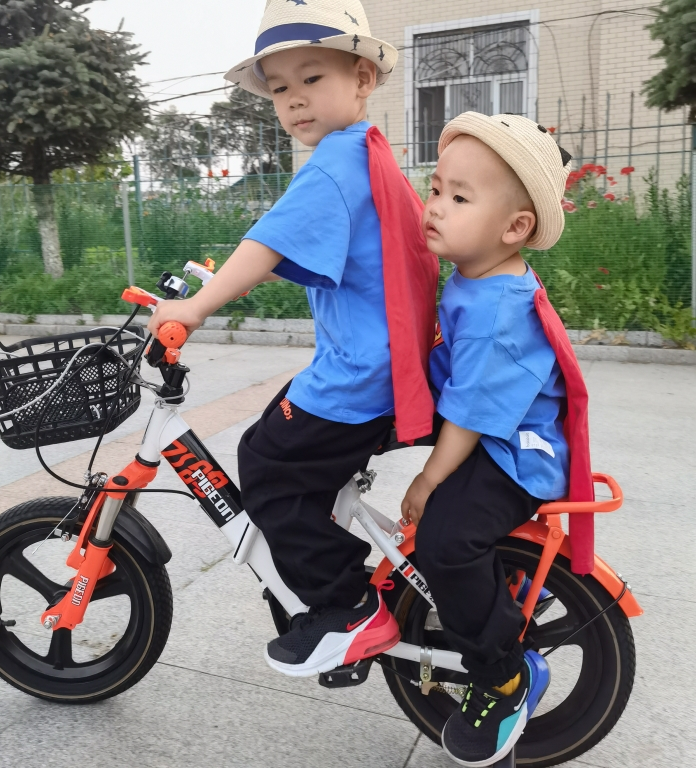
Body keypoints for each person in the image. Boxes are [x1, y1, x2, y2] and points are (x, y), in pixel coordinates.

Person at [148, 0, 439, 677]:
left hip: (361, 375)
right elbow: (313, 253)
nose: (295, 100)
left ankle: (347, 607)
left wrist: (196, 307)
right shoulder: (367, 154)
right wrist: (224, 283)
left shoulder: (334, 164)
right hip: (384, 363)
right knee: (282, 443)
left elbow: (269, 244)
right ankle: (328, 577)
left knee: (266, 463)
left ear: (362, 78)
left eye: (312, 78)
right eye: (280, 89)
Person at [400, 112, 577, 767]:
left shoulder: (498, 309)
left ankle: (503, 677)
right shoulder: (478, 274)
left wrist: (429, 478)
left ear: (514, 228)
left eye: (459, 198)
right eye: (435, 189)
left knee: (445, 539)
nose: (435, 206)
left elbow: (471, 416)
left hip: (516, 453)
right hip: (492, 431)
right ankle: (501, 586)